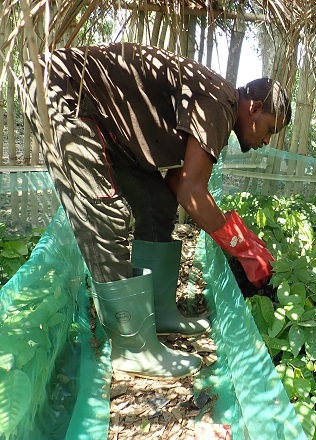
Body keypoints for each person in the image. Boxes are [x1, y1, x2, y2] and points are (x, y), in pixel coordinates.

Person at [21, 42, 292, 380]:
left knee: (157, 203)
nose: (267, 140)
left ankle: (158, 310)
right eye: (270, 129)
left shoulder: (220, 104)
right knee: (106, 216)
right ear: (254, 108)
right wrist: (242, 249)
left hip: (109, 126)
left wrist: (242, 237)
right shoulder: (221, 102)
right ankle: (132, 346)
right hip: (63, 92)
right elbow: (192, 192)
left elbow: (178, 182)